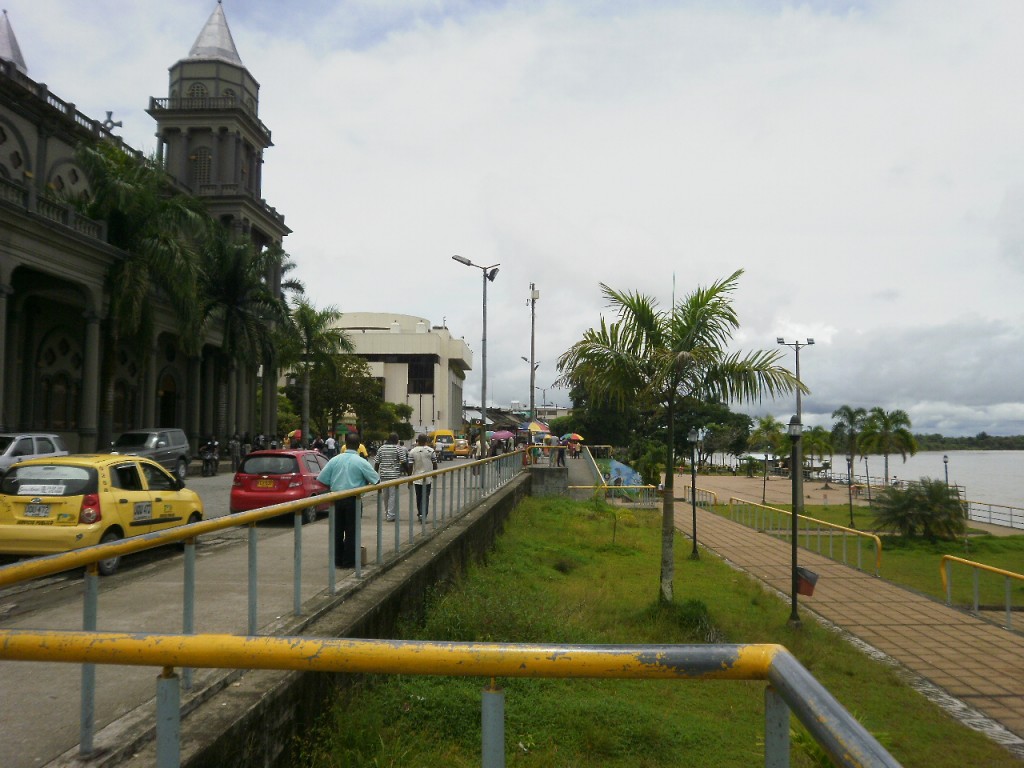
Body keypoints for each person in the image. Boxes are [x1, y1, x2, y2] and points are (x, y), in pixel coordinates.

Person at [316, 432, 379, 569]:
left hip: (336, 498)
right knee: (352, 531)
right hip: (353, 499)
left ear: (345, 444)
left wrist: (333, 486)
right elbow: (376, 480)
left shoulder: (335, 460)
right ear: (358, 446)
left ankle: (337, 560)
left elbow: (321, 479)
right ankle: (349, 562)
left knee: (336, 530)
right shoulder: (361, 462)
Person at [374, 432, 408, 522]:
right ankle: (391, 515)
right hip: (394, 476)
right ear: (396, 440)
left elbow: (377, 463)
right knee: (393, 495)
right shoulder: (398, 448)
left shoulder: (381, 448)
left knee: (386, 496)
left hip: (384, 475)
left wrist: (375, 475)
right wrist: (410, 474)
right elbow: (404, 462)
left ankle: (387, 513)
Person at [406, 433, 438, 522]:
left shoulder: (412, 451)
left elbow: (410, 466)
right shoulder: (431, 451)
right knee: (426, 496)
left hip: (416, 478)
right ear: (426, 441)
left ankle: (420, 513)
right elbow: (435, 464)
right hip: (427, 478)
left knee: (418, 496)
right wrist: (435, 474)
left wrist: (409, 479)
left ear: (417, 441)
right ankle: (423, 514)